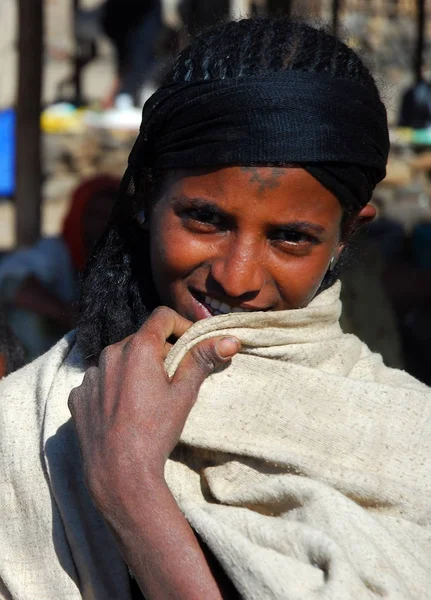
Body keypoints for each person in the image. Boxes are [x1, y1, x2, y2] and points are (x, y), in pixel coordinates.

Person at [1, 18, 430, 600]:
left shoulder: (405, 437)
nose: (237, 275)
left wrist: (130, 492)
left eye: (291, 238)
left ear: (347, 236)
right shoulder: (30, 422)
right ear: (148, 196)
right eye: (205, 219)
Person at [0, 175, 119, 360]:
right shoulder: (56, 252)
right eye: (94, 216)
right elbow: (11, 281)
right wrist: (68, 315)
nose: (100, 225)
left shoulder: (126, 258)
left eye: (108, 217)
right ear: (78, 215)